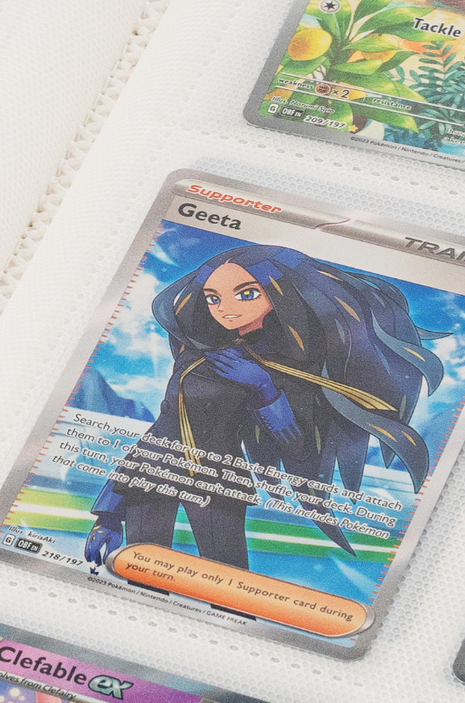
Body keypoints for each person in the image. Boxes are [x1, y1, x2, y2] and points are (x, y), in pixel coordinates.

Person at [84, 245, 444, 573]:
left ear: (279, 292)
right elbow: (162, 430)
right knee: (139, 575)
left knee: (226, 584)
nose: (225, 308)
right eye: (212, 298)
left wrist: (265, 390)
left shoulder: (293, 365)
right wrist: (108, 514)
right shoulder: (197, 355)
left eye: (247, 294)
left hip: (219, 483)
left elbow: (298, 447)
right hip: (150, 478)